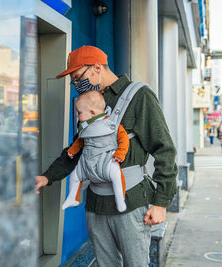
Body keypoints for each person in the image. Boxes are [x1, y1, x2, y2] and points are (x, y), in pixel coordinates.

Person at [35, 46, 177, 267]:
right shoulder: (88, 103)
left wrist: (161, 202)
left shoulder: (139, 95)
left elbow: (164, 149)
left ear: (97, 68)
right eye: (73, 81)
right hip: (96, 206)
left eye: (77, 77)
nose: (75, 84)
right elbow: (78, 148)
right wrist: (47, 177)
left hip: (130, 203)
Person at [62, 90, 129, 212]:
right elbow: (80, 141)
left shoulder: (111, 124)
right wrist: (72, 150)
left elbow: (124, 139)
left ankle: (120, 199)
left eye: (80, 113)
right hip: (87, 160)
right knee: (75, 175)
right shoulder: (85, 127)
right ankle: (73, 197)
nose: (78, 116)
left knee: (116, 175)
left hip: (106, 158)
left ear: (92, 112)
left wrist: (120, 153)